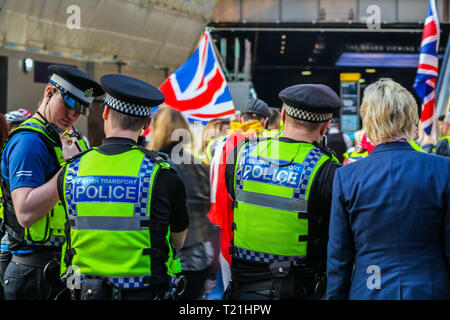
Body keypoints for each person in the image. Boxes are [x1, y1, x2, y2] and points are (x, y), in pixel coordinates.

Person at [58, 74, 189, 300]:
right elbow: (178, 241)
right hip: (144, 293)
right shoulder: (163, 175)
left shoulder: (71, 171)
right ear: (146, 125)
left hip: (82, 291)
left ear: (106, 113)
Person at [326, 78, 450, 300]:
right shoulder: (443, 169)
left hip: (369, 289)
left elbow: (339, 256)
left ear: (369, 121)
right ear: (412, 117)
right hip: (431, 288)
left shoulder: (347, 176)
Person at [223, 84, 341, 300]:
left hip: (243, 290)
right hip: (299, 290)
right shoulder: (329, 171)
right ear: (324, 127)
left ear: (284, 115)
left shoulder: (241, 153)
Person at [0, 65, 103, 300]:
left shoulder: (64, 139)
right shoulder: (28, 142)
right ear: (49, 93)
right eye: (67, 104)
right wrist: (70, 168)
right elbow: (25, 213)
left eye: (79, 110)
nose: (72, 115)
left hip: (60, 268)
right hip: (31, 271)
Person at [148, 106, 214, 300]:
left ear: (157, 130)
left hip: (169, 260)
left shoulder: (154, 167)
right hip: (201, 255)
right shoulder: (200, 165)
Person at [207, 98, 271, 292]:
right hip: (247, 228)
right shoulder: (267, 142)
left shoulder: (217, 143)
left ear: (239, 118)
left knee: (223, 290)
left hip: (216, 224)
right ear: (266, 121)